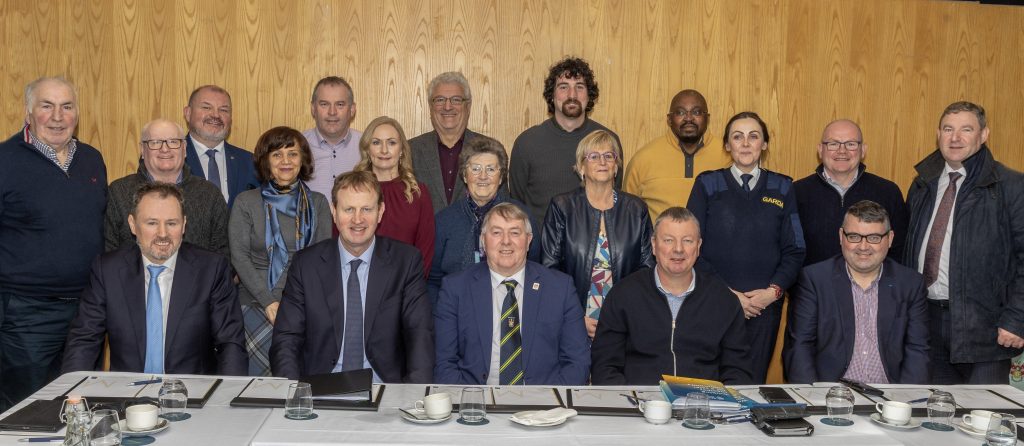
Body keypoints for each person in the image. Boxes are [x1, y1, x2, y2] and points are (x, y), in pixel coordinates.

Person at [0, 77, 107, 411]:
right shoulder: (5, 160)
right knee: (27, 411)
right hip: (27, 314)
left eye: (67, 106)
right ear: (29, 112)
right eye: (47, 106)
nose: (58, 116)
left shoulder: (91, 159)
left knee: (82, 406)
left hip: (88, 311)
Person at [63, 183, 247, 375]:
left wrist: (227, 391)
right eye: (152, 223)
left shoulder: (211, 269)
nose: (163, 234)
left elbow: (231, 343)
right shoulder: (108, 270)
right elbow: (84, 339)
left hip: (191, 390)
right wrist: (74, 389)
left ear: (184, 224)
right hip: (127, 390)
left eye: (172, 223)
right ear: (132, 224)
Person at [270, 171, 433, 382]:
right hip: (320, 387)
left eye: (367, 209)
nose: (358, 219)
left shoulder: (406, 262)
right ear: (334, 212)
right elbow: (286, 338)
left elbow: (419, 333)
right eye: (349, 209)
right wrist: (294, 391)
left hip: (385, 388)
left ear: (380, 212)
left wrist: (413, 394)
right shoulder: (306, 265)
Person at [904, 101, 1024, 384]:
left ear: (984, 135)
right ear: (938, 134)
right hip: (927, 323)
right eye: (948, 129)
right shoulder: (922, 184)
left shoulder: (1011, 186)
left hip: (986, 330)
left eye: (966, 129)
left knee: (983, 410)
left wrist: (1017, 318)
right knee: (935, 408)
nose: (955, 138)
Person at [687, 111, 806, 384]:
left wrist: (772, 293)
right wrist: (728, 296)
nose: (745, 143)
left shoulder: (783, 186)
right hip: (714, 302)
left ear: (764, 144)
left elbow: (795, 249)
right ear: (727, 145)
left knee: (751, 385)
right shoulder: (707, 184)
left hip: (763, 308)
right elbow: (691, 246)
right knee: (709, 384)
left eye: (753, 136)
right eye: (737, 137)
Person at [591, 207, 752, 385]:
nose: (678, 249)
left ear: (698, 246)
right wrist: (630, 399)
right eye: (668, 240)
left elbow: (738, 370)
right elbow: (604, 366)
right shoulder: (623, 295)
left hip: (704, 400)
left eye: (687, 241)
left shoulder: (723, 300)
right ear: (654, 245)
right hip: (640, 399)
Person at [434, 203, 590, 385]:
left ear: (529, 240)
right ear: (483, 240)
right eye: (496, 232)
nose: (506, 241)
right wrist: (470, 400)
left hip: (543, 399)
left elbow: (577, 363)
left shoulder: (560, 288)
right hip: (476, 398)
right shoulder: (455, 289)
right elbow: (444, 364)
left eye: (515, 233)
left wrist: (549, 400)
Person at [784, 200, 929, 384]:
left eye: (874, 238)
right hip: (830, 393)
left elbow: (917, 350)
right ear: (841, 236)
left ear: (890, 238)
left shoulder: (910, 284)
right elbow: (800, 347)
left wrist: (906, 399)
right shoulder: (814, 280)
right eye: (854, 236)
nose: (863, 246)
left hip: (890, 394)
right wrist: (812, 396)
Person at [230, 126, 332, 376]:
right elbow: (239, 257)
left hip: (303, 305)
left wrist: (294, 304)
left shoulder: (319, 203)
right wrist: (269, 301)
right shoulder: (246, 202)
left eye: (292, 154)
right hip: (255, 305)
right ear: (265, 161)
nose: (285, 161)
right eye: (277, 154)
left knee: (299, 383)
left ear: (303, 159)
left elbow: (322, 260)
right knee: (258, 388)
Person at [542, 130, 654, 339]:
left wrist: (625, 314)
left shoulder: (636, 209)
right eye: (593, 156)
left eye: (608, 156)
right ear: (581, 167)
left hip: (624, 320)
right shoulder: (562, 207)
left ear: (616, 166)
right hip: (572, 320)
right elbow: (550, 269)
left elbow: (647, 268)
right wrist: (575, 316)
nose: (602, 162)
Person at [509, 57, 621, 224]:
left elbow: (615, 198)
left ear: (589, 95)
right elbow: (516, 205)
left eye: (579, 87)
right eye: (563, 87)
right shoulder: (527, 143)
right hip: (540, 240)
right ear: (552, 95)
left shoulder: (608, 142)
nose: (572, 95)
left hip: (595, 239)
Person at [428, 136, 539, 304]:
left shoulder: (522, 217)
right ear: (465, 175)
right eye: (475, 169)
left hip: (510, 308)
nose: (483, 176)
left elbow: (534, 269)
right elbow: (433, 281)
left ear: (500, 178)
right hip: (457, 309)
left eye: (491, 169)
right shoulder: (444, 221)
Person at [105, 118, 229, 256]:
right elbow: (109, 254)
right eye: (155, 142)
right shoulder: (118, 193)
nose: (165, 149)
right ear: (142, 150)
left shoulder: (209, 194)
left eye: (173, 142)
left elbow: (223, 256)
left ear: (184, 148)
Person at [794, 119, 909, 266]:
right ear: (820, 150)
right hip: (811, 281)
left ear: (863, 150)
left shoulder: (888, 192)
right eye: (833, 144)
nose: (842, 151)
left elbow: (899, 251)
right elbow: (789, 251)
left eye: (851, 144)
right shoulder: (797, 193)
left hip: (873, 281)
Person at [625, 89, 730, 220]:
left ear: (707, 119)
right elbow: (626, 215)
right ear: (669, 119)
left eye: (696, 112)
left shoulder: (729, 156)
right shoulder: (642, 159)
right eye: (680, 112)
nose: (688, 118)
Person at [354, 116, 435, 274]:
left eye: (391, 143)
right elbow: (340, 242)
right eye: (376, 143)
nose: (384, 150)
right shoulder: (353, 190)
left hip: (407, 283)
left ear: (402, 150)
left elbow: (425, 251)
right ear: (367, 150)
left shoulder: (418, 193)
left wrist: (410, 285)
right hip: (358, 282)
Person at [410, 72, 499, 213]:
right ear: (430, 107)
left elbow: (501, 207)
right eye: (440, 100)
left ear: (468, 107)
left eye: (456, 100)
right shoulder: (410, 150)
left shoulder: (491, 150)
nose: (447, 106)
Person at [183, 85, 260, 208]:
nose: (216, 115)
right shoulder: (170, 159)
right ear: (188, 113)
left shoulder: (250, 162)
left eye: (223, 110)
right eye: (206, 107)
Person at [303, 76, 362, 200]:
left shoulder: (367, 146)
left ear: (352, 109)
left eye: (340, 104)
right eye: (324, 104)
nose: (332, 112)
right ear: (313, 108)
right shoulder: (297, 146)